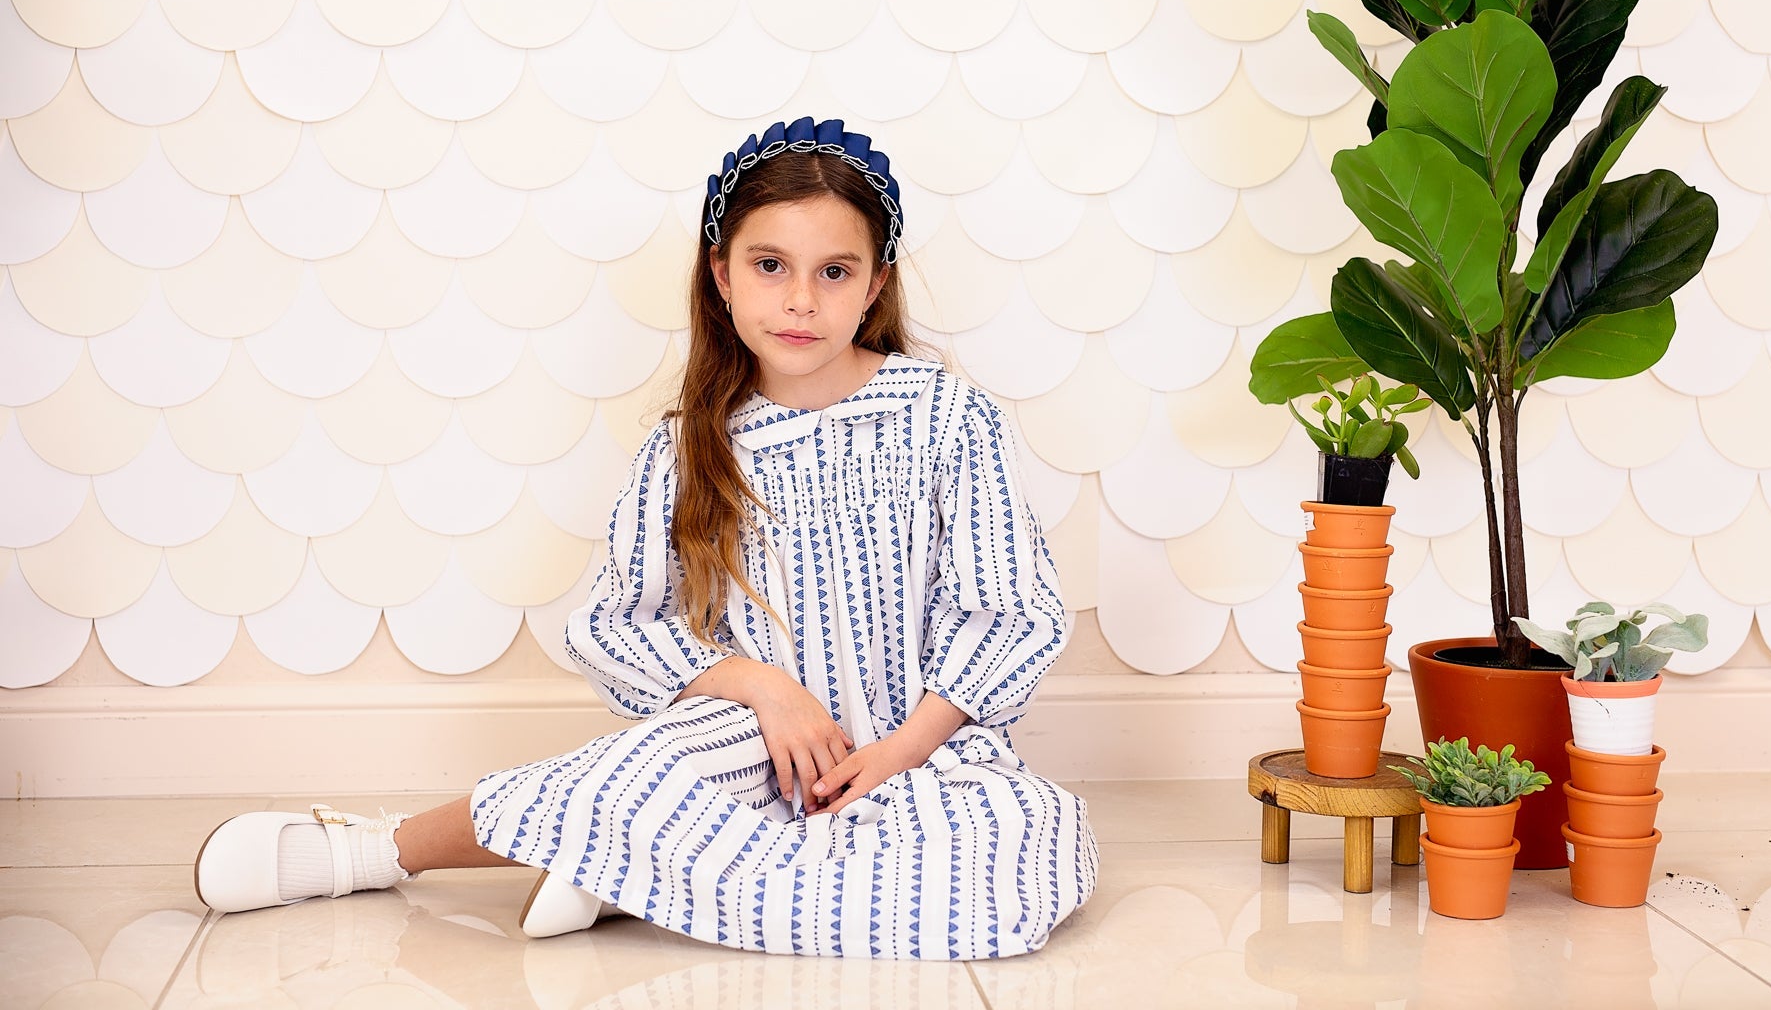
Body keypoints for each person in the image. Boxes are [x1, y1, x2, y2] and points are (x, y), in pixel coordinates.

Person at [195, 117, 1098, 960]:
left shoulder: (946, 418)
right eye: (771, 265)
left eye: (834, 271)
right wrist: (763, 688)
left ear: (875, 284)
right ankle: (376, 850)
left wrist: (895, 753)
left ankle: (638, 870)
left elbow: (1008, 612)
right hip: (750, 746)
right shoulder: (689, 447)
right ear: (722, 274)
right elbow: (616, 626)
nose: (801, 299)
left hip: (922, 749)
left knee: (1026, 853)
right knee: (629, 771)